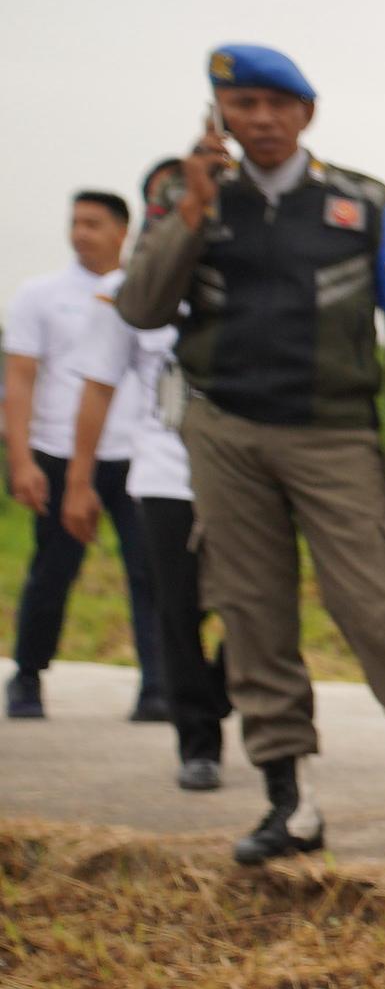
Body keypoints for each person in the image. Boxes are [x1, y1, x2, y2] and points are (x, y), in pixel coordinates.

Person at [115, 44, 385, 865]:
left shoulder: (367, 203)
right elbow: (141, 308)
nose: (262, 122)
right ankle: (290, 804)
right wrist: (193, 210)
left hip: (336, 434)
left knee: (379, 610)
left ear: (306, 113)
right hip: (225, 433)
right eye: (242, 106)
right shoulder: (186, 194)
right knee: (250, 614)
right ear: (222, 115)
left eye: (277, 106)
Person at [59, 163, 229, 784]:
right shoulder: (122, 290)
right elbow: (99, 388)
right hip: (163, 473)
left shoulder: (241, 276)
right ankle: (198, 743)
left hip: (244, 473)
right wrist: (79, 481)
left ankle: (220, 691)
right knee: (177, 608)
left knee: (259, 604)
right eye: (171, 200)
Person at [10, 188, 161, 719]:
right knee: (52, 570)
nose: (81, 233)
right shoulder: (39, 294)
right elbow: (20, 380)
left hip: (136, 454)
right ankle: (28, 675)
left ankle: (157, 686)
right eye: (76, 222)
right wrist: (21, 458)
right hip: (58, 450)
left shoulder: (146, 293)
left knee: (150, 572)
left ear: (123, 231)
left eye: (93, 224)